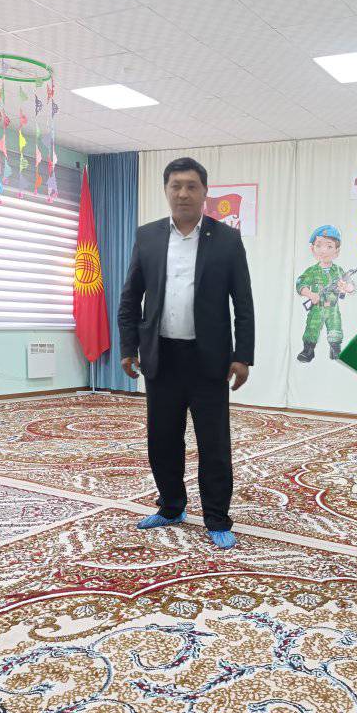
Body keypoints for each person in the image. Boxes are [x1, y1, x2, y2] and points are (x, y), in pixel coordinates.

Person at [118, 157, 255, 549]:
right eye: (175, 186)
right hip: (161, 357)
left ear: (204, 192)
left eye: (191, 186)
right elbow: (131, 297)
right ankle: (171, 506)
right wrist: (128, 346)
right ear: (166, 190)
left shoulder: (226, 239)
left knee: (214, 444)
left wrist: (243, 355)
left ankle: (217, 517)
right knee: (162, 439)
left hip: (208, 359)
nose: (183, 193)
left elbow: (243, 302)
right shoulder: (147, 236)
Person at [295, 225, 356, 362]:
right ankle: (308, 351)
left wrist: (346, 287)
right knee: (312, 328)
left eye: (329, 246)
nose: (324, 250)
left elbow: (351, 286)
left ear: (337, 251)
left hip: (333, 308)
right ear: (312, 249)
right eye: (319, 246)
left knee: (335, 328)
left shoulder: (338, 271)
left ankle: (335, 349)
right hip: (317, 307)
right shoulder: (312, 271)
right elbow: (300, 284)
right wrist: (311, 295)